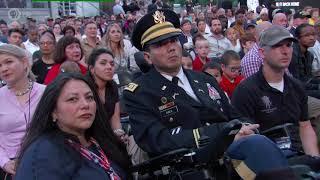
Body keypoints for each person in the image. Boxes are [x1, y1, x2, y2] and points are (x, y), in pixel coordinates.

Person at [125, 9, 291, 179]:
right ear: (147, 57)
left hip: (234, 153)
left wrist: (244, 127)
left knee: (294, 160)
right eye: (160, 44)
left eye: (173, 40)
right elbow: (158, 141)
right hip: (192, 164)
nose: (171, 48)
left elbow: (233, 114)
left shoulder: (205, 79)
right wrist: (223, 134)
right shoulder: (140, 92)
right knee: (261, 149)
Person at [15, 73, 131, 179]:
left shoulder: (100, 140)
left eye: (89, 97)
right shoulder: (43, 154)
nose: (85, 105)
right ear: (53, 111)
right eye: (73, 99)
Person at [232, 25, 319, 157]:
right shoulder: (246, 90)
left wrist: (314, 160)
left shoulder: (296, 87)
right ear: (262, 53)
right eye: (277, 46)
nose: (285, 51)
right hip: (265, 159)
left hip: (297, 155)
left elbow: (305, 126)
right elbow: (243, 139)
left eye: (289, 45)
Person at [0, 44, 46, 179]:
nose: (4, 68)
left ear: (24, 62)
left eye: (8, 62)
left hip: (44, 161)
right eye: (0, 65)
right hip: (10, 168)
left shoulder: (46, 92)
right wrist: (5, 162)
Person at [86, 48, 126, 140]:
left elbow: (115, 117)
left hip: (108, 135)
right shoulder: (84, 87)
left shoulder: (113, 86)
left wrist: (119, 134)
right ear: (92, 69)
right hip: (90, 137)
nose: (109, 67)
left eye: (112, 64)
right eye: (103, 63)